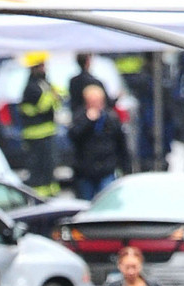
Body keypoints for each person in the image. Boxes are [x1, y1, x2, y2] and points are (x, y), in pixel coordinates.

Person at [68, 85, 132, 200]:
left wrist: (126, 168)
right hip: (85, 171)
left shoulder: (111, 118)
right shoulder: (79, 117)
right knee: (85, 202)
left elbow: (121, 143)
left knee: (107, 200)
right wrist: (88, 120)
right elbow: (73, 136)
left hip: (106, 169)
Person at [17, 53, 63, 196]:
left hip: (47, 133)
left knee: (49, 165)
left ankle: (50, 191)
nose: (44, 68)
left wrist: (55, 95)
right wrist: (52, 96)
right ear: (34, 68)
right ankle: (39, 195)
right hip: (35, 135)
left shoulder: (43, 83)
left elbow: (59, 96)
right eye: (41, 66)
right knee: (38, 167)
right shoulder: (31, 87)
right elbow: (43, 106)